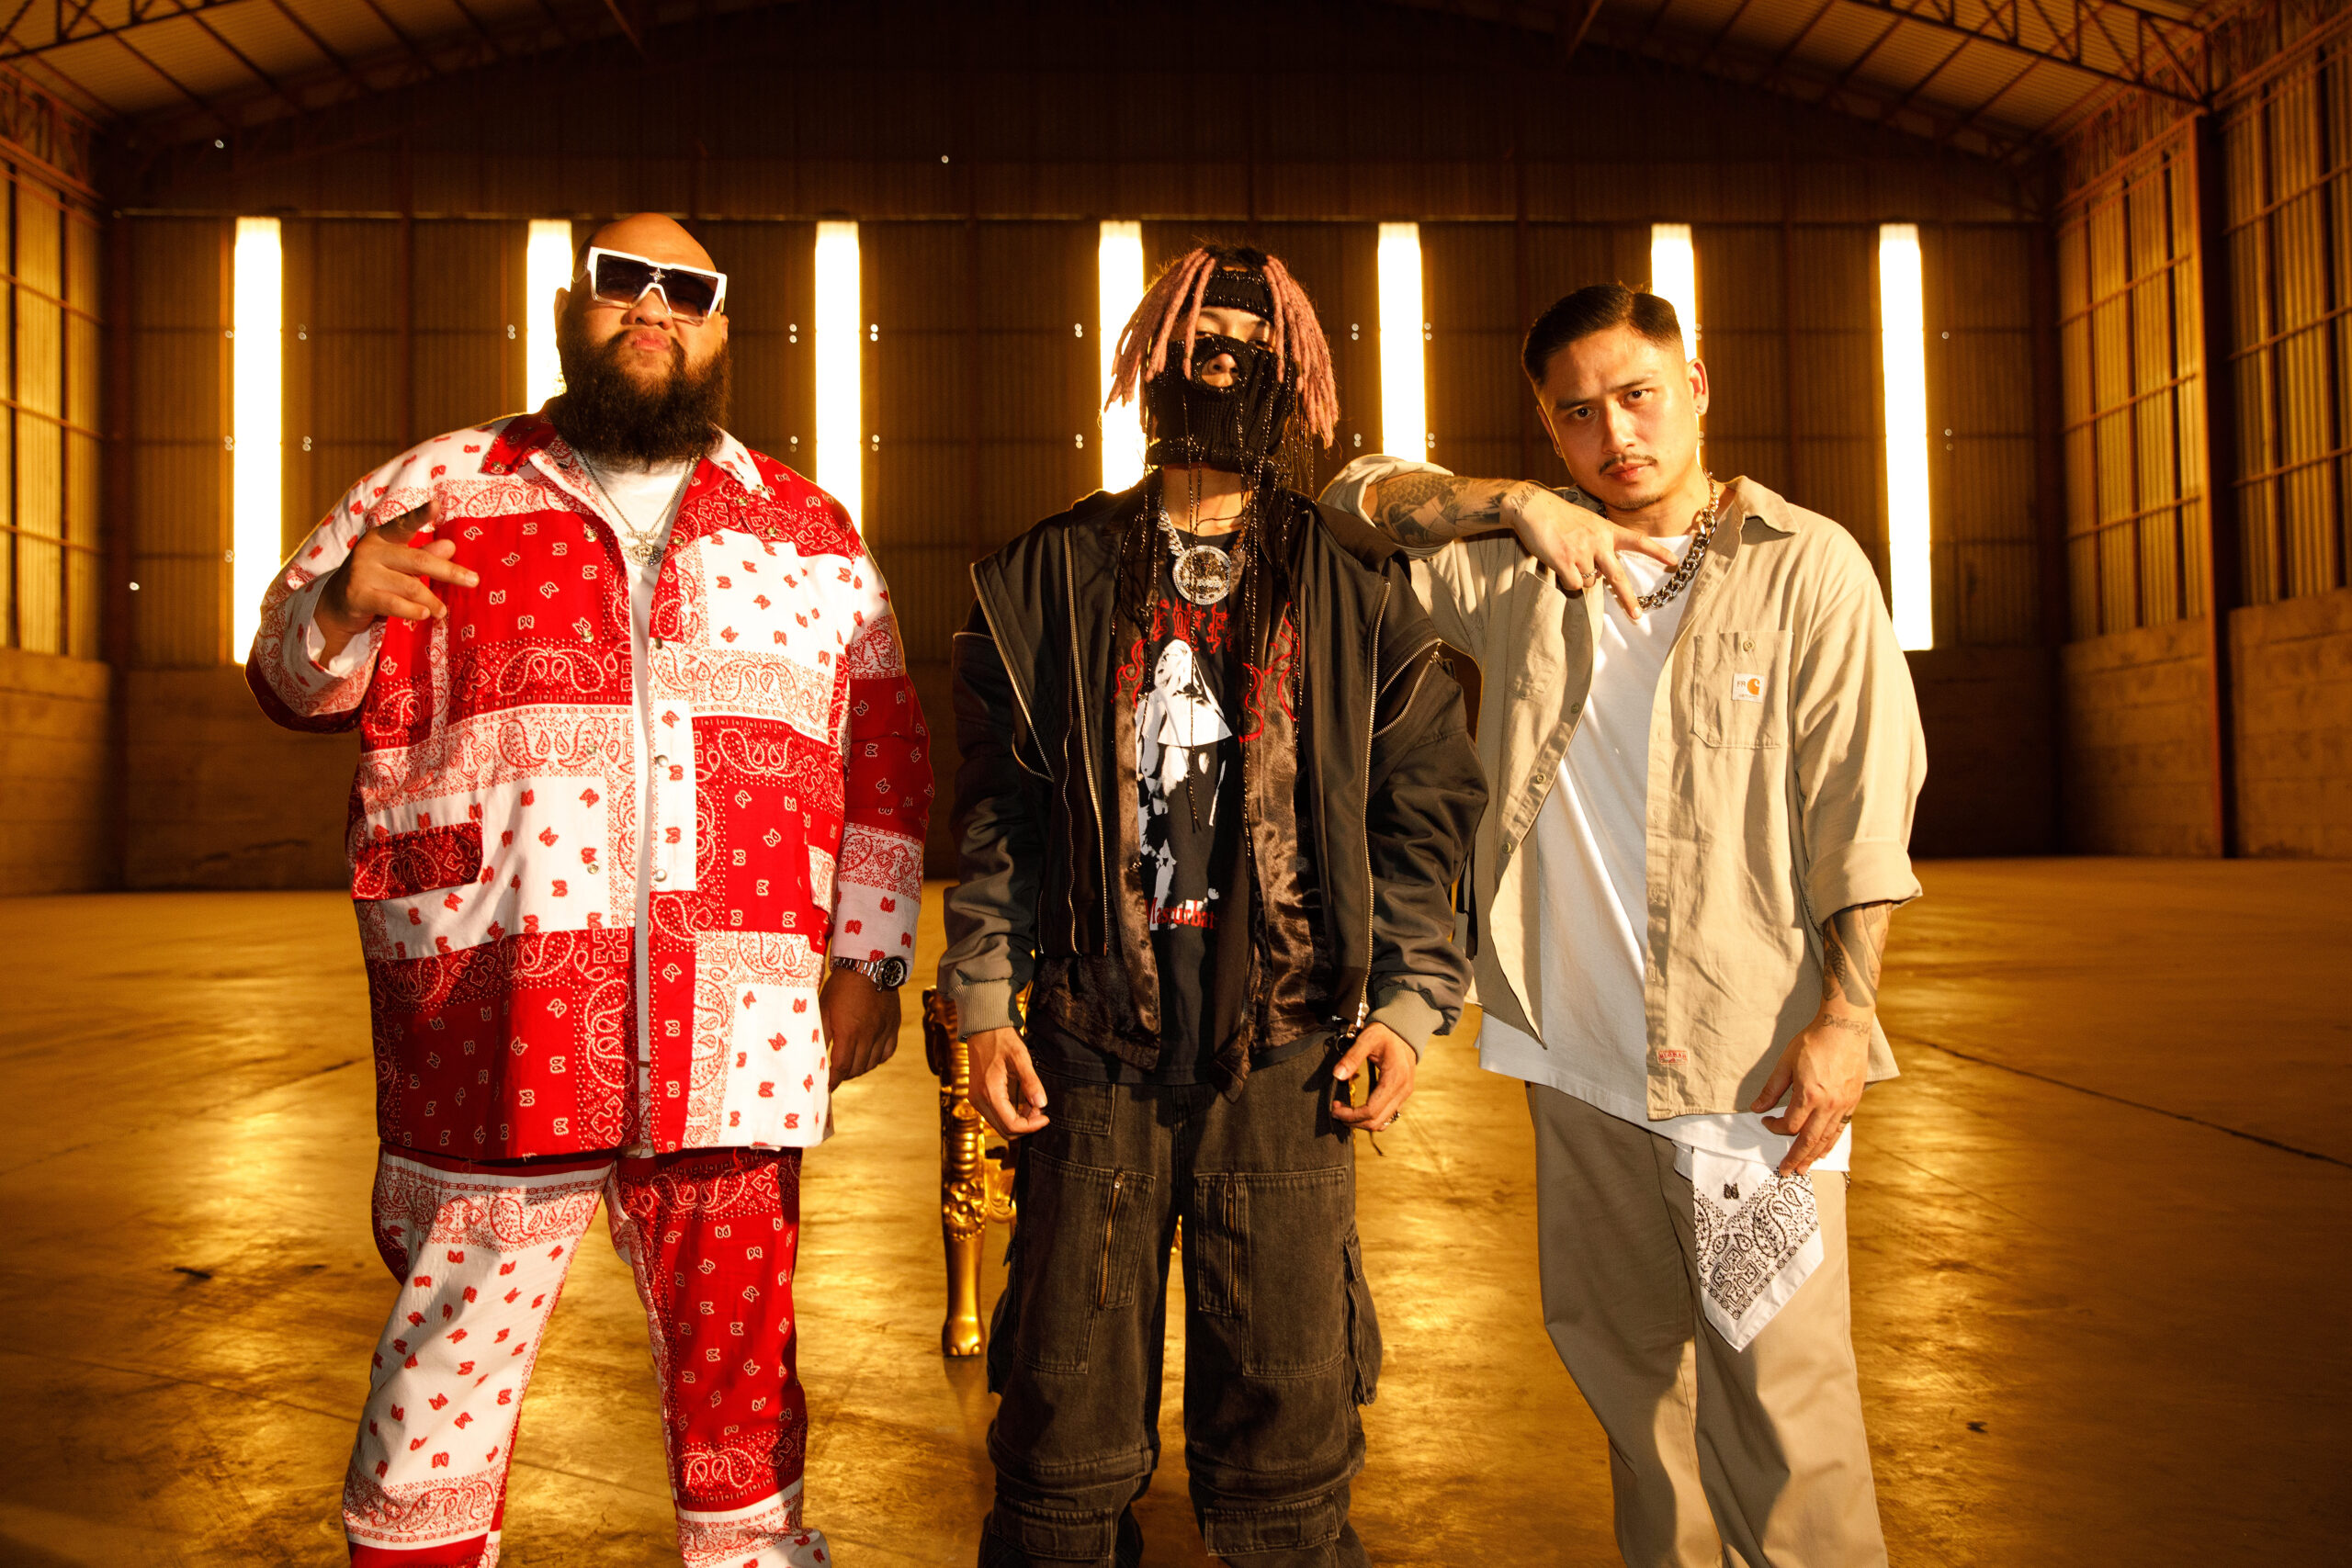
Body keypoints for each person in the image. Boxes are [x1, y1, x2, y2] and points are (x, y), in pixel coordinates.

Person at [246, 212, 932, 1568]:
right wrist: (338, 607)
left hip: (737, 1035)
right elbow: (287, 681)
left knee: (744, 1392)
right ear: (576, 308)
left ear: (723, 327)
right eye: (624, 282)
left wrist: (870, 959)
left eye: (688, 290)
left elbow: (886, 755)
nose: (653, 308)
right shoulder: (442, 484)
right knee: (441, 1379)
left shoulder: (806, 529)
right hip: (494, 1015)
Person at [1324, 283, 1924, 1568]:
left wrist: (1845, 1017)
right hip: (1577, 1062)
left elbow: (1863, 811)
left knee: (1787, 1412)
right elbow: (1350, 499)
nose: (1617, 435)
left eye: (1638, 396)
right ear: (1550, 429)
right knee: (1632, 1393)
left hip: (1751, 1071)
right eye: (1578, 415)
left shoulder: (1807, 566)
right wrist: (1511, 504)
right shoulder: (1522, 568)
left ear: (1694, 386)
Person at [940, 243, 1484, 1567]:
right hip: (1089, 1057)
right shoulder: (1049, 573)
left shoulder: (1357, 582)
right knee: (1060, 1453)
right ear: (1146, 364)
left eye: (1252, 348)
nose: (1222, 367)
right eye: (1197, 344)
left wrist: (1413, 1000)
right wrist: (982, 998)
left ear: (1296, 378)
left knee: (1287, 1463)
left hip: (1288, 1063)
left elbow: (1424, 811)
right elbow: (999, 810)